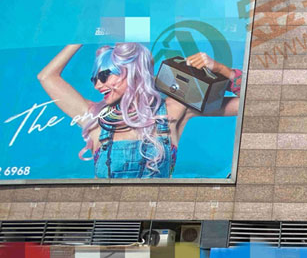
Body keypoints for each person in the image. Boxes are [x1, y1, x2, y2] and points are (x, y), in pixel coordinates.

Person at [38, 43, 241, 179]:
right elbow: (46, 77)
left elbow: (247, 104)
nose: (98, 85)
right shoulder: (95, 117)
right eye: (95, 79)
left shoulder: (173, 110)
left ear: (132, 72)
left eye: (105, 75)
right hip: (104, 223)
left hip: (156, 222)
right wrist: (82, 36)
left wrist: (224, 71)